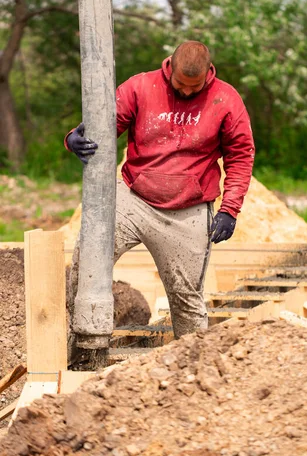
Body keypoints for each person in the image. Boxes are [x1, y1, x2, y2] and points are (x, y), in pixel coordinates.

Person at [65, 41, 254, 338]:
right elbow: (101, 129)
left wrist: (229, 209)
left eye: (196, 86)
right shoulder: (140, 87)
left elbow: (241, 155)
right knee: (87, 263)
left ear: (209, 74)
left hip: (188, 211)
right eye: (181, 84)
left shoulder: (226, 100)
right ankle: (78, 346)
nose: (188, 91)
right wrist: (74, 139)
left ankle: (191, 362)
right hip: (133, 199)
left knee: (187, 299)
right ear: (170, 69)